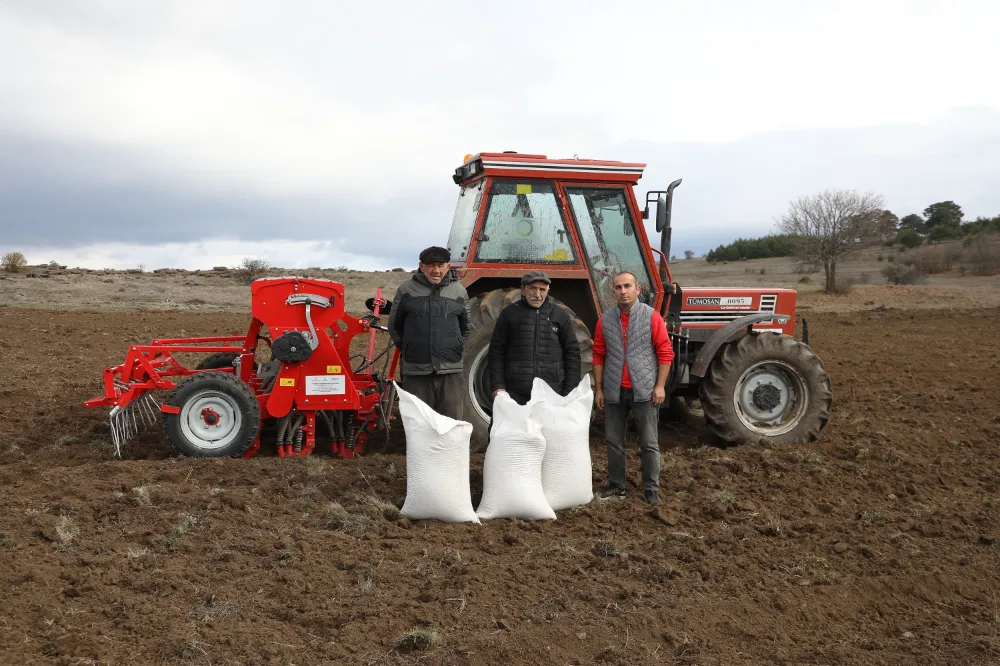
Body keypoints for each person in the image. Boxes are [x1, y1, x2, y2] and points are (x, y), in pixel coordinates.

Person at [593, 271, 675, 505]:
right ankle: (617, 486)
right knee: (614, 440)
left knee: (649, 442)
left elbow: (665, 352)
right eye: (618, 287)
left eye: (627, 286)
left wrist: (660, 386)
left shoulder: (652, 317)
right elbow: (599, 353)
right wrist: (599, 389)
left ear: (637, 289)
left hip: (645, 390)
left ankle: (651, 489)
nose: (623, 291)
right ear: (614, 292)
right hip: (614, 390)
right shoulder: (605, 319)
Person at [387, 246, 471, 420]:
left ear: (448, 266)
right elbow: (395, 326)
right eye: (431, 265)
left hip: (450, 370)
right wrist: (411, 348)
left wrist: (453, 347)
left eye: (440, 265)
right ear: (421, 266)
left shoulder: (459, 291)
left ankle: (449, 449)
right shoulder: (406, 290)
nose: (436, 270)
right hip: (417, 371)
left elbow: (466, 327)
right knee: (419, 422)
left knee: (451, 422)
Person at [488, 271, 582, 406]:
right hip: (515, 394)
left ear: (548, 291)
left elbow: (572, 354)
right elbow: (496, 352)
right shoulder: (509, 314)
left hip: (552, 392)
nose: (537, 295)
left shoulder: (560, 315)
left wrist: (569, 391)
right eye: (533, 288)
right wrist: (498, 387)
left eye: (542, 290)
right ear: (523, 290)